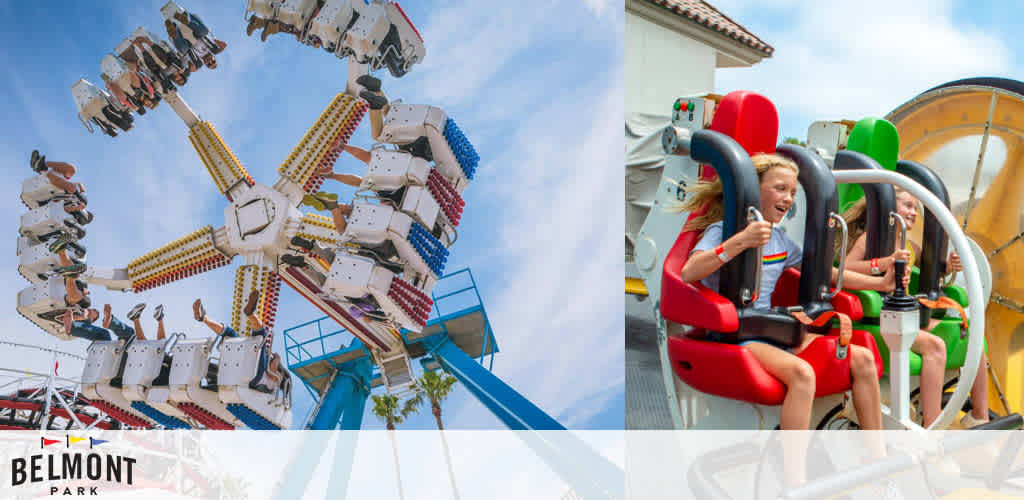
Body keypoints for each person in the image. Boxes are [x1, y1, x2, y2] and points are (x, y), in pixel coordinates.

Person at [679, 153, 902, 431]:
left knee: (864, 359)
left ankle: (875, 457)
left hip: (771, 329)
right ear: (752, 190)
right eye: (780, 188)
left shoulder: (780, 240)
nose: (788, 198)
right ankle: (793, 472)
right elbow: (689, 272)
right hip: (735, 335)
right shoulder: (722, 231)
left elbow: (828, 273)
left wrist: (881, 281)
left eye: (793, 192)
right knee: (802, 374)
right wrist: (740, 242)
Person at [840, 189, 990, 428]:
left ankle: (979, 416)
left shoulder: (908, 245)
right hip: (880, 318)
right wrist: (882, 264)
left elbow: (931, 267)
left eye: (915, 208)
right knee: (935, 346)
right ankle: (933, 425)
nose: (912, 212)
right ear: (889, 207)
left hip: (907, 316)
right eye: (907, 205)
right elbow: (845, 269)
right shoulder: (871, 238)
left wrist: (949, 266)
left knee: (973, 337)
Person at [192, 291, 282, 392]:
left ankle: (250, 314)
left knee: (261, 335)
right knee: (231, 336)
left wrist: (277, 358)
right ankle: (203, 317)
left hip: (253, 378)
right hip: (239, 374)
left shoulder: (277, 380)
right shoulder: (258, 364)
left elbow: (272, 371)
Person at [30, 151, 94, 225]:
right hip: (64, 189)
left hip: (57, 201)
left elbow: (65, 210)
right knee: (72, 169)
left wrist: (77, 208)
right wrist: (81, 188)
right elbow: (79, 185)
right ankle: (42, 164)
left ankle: (42, 169)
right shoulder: (82, 202)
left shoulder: (75, 216)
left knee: (71, 188)